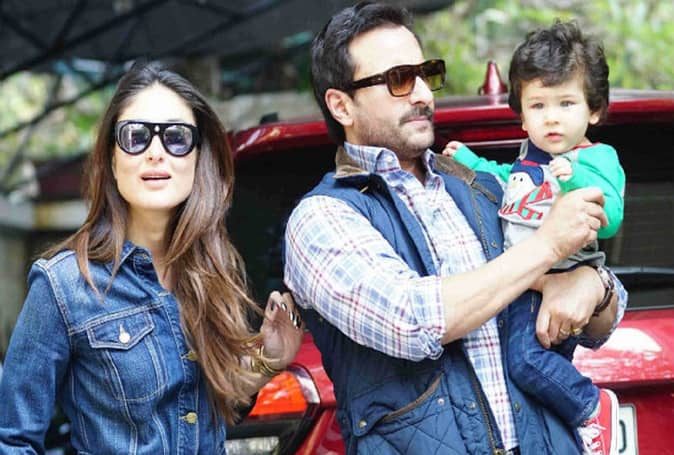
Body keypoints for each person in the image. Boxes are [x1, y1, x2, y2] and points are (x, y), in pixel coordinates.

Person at [283, 2, 627, 454]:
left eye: (425, 74)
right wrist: (546, 248)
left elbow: (603, 317)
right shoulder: (323, 218)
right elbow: (413, 320)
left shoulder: (481, 184)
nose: (422, 93)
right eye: (399, 79)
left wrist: (593, 285)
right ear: (341, 105)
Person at [0, 61, 303, 454]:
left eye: (176, 137)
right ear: (112, 159)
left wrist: (268, 361)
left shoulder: (215, 267)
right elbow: (12, 439)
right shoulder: (63, 284)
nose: (156, 152)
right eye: (136, 136)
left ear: (197, 157)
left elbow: (212, 409)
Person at [442, 20, 625, 454]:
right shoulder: (531, 158)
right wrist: (470, 162)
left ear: (593, 111)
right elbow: (508, 180)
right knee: (531, 372)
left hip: (562, 280)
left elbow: (612, 218)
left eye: (566, 103)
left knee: (525, 361)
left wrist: (573, 177)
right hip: (522, 285)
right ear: (523, 117)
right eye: (538, 105)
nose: (552, 117)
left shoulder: (595, 157)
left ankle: (591, 407)